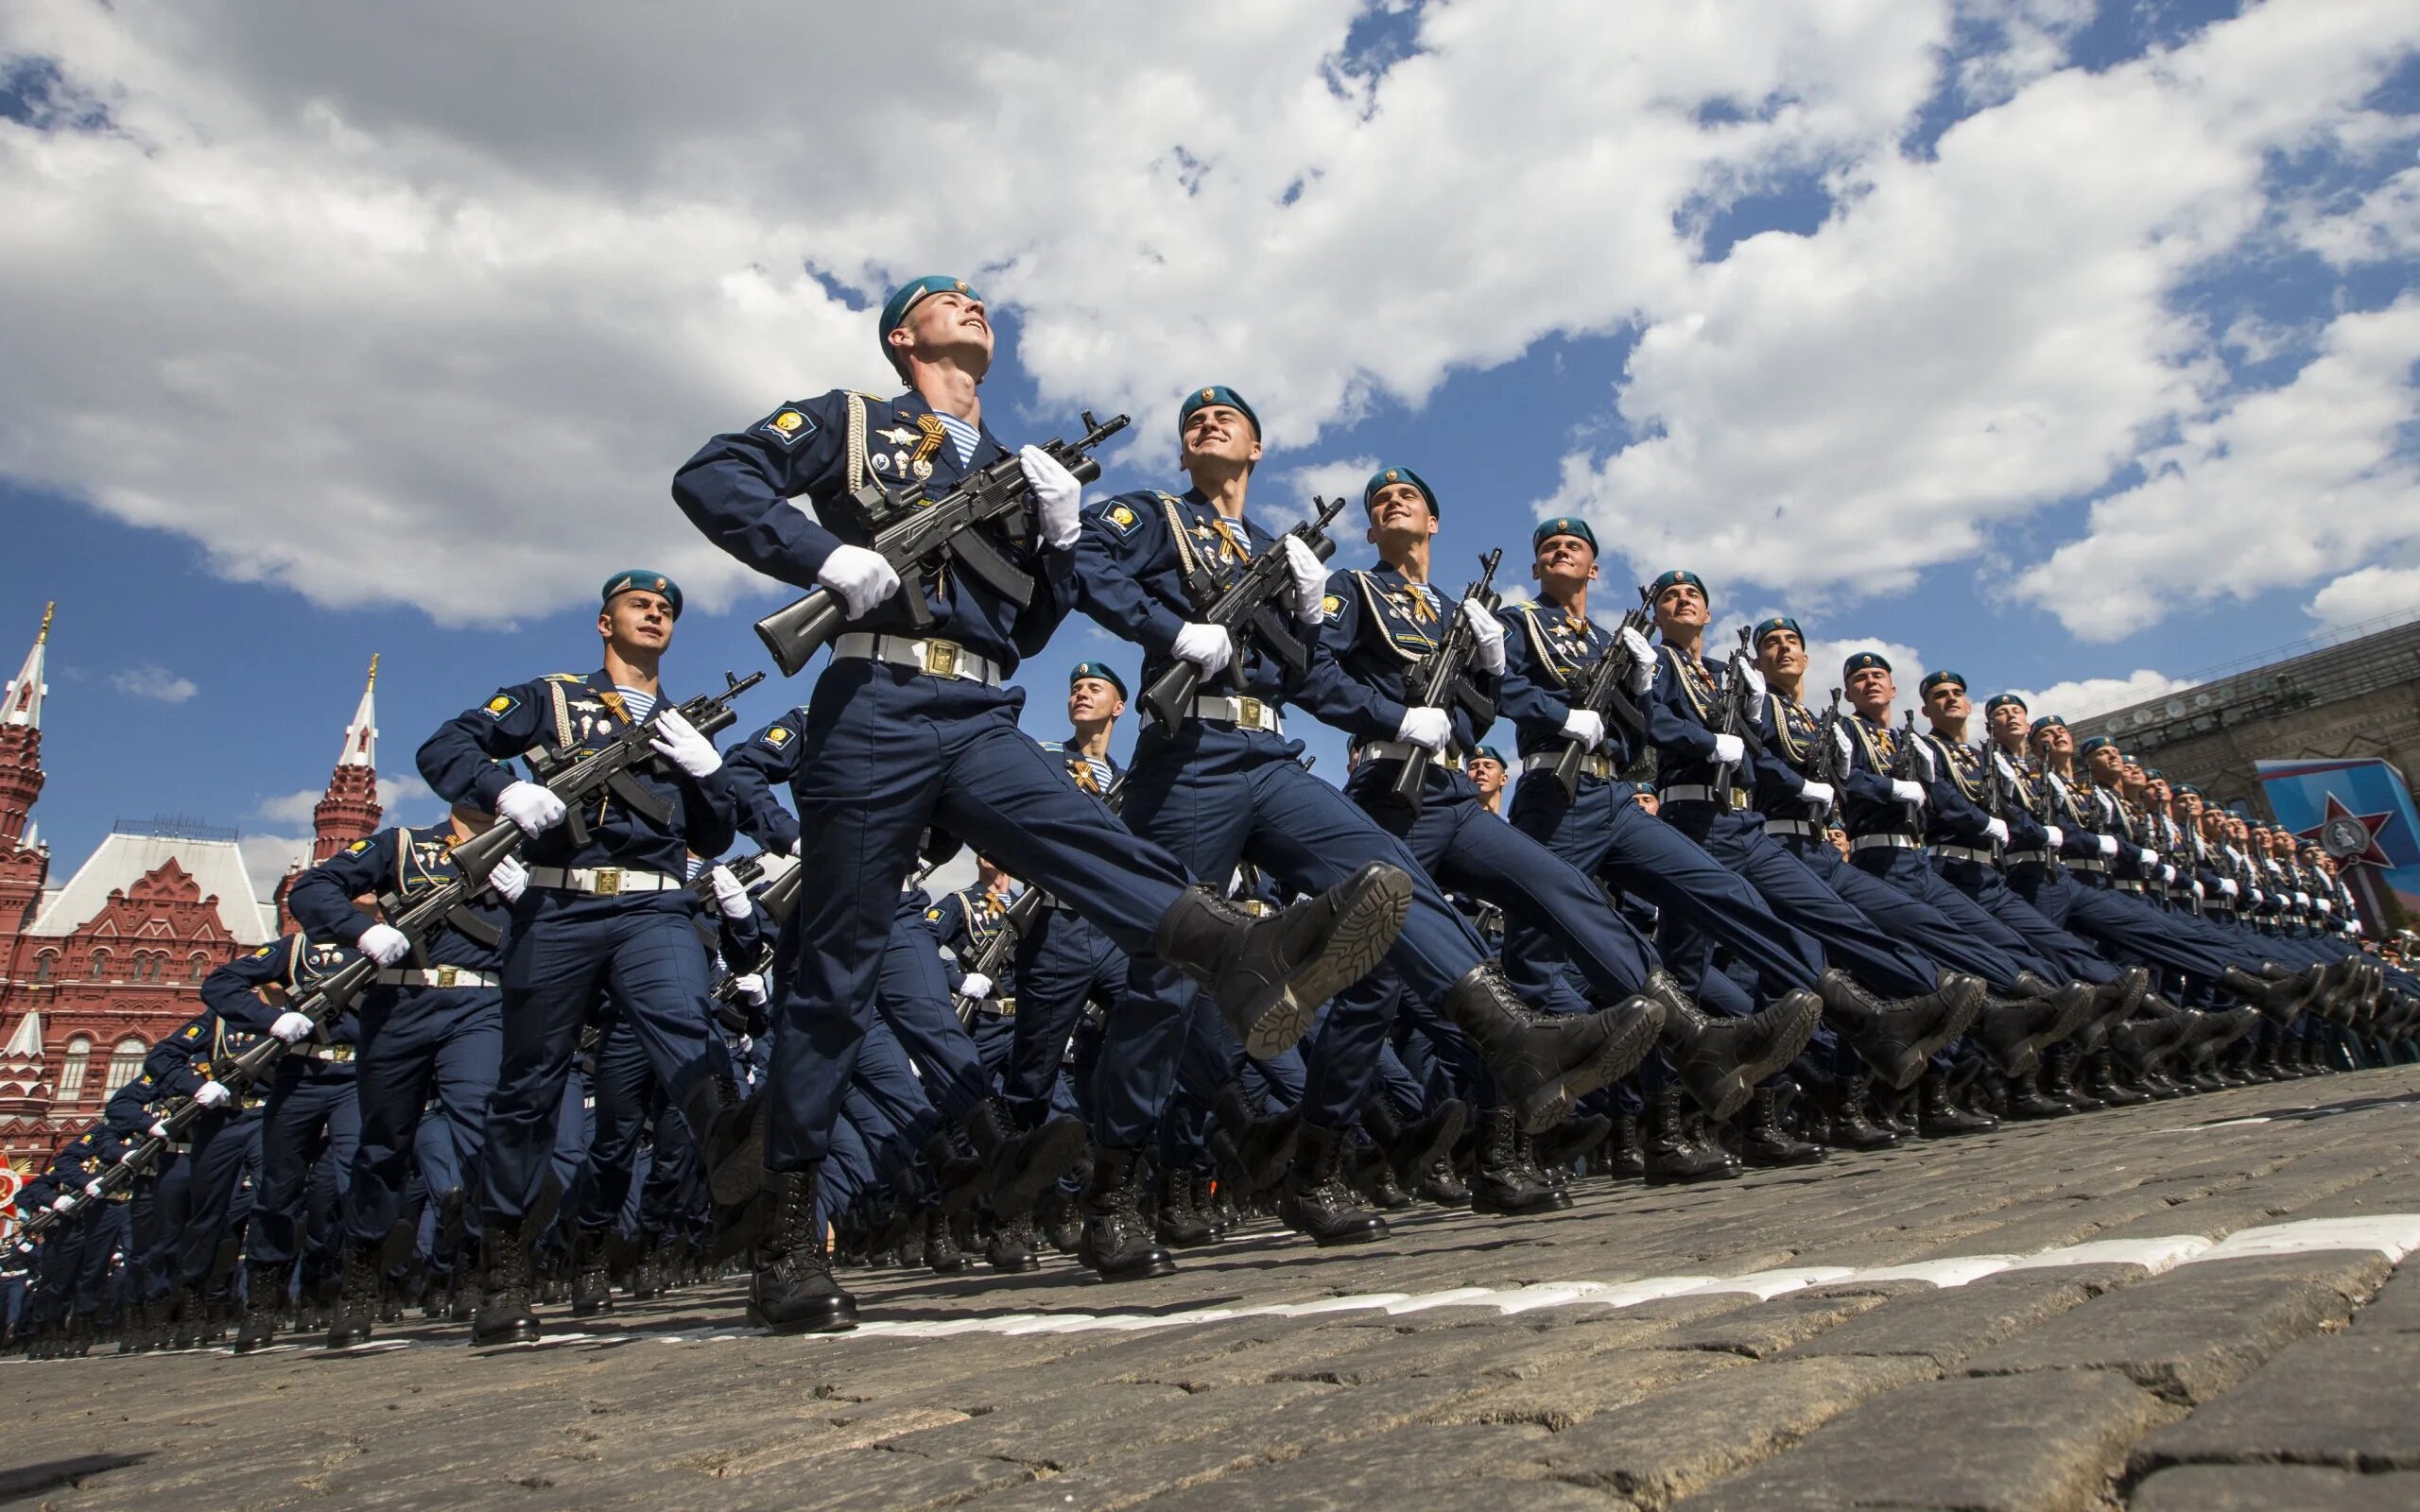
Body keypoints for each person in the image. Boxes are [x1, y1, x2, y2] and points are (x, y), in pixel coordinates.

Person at [671, 287, 1412, 1326]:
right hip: (874, 699)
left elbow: (1023, 631)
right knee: (833, 973)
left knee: (1087, 839)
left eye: (978, 302)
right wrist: (819, 555)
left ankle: (1240, 951)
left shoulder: (1013, 467)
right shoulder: (850, 420)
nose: (968, 307)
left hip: (977, 705)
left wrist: (1059, 540)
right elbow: (711, 475)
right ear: (901, 337)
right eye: (941, 301)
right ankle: (788, 1233)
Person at [417, 571, 755, 1346]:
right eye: (640, 605)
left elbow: (711, 839)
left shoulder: (681, 721)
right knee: (529, 1085)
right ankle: (504, 1268)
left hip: (654, 903)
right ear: (605, 623)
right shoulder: (551, 698)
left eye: (667, 608)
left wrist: (709, 775)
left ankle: (752, 1195)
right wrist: (502, 791)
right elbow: (444, 745)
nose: (657, 613)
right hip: (560, 902)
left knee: (689, 1035)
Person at [285, 806, 521, 1348]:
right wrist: (362, 932)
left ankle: (501, 1278)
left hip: (482, 1002)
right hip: (400, 1001)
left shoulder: (527, 848)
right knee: (382, 1145)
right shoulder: (402, 845)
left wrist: (531, 894)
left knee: (485, 1127)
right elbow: (313, 888)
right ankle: (362, 1280)